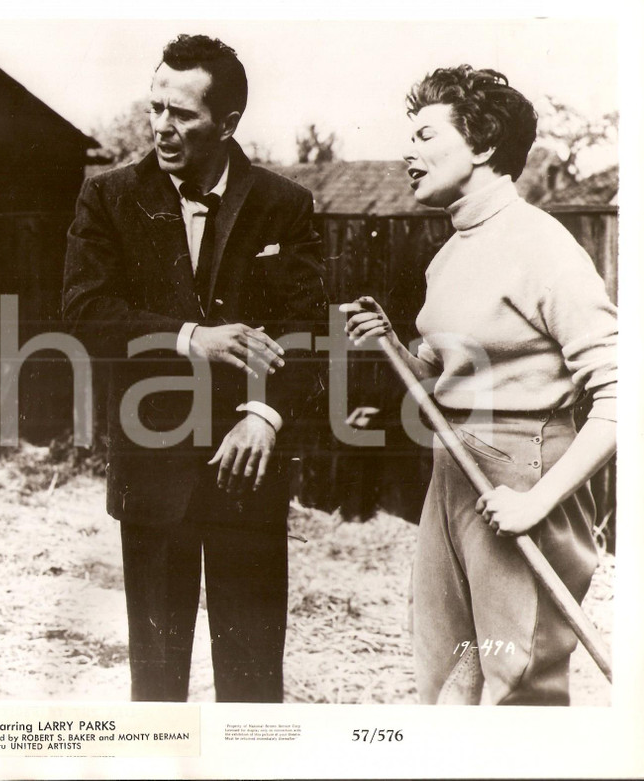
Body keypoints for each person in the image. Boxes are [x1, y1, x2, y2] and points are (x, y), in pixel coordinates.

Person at [342, 66, 617, 705]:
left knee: (517, 683)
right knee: (449, 677)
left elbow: (620, 390)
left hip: (525, 480)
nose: (406, 152)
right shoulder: (449, 255)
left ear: (484, 144)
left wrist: (537, 500)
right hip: (455, 473)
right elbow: (452, 383)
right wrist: (394, 344)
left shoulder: (543, 246)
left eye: (425, 135)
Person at [63, 35, 326, 702]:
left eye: (182, 115)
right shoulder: (109, 198)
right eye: (156, 108)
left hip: (249, 472)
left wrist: (266, 417)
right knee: (156, 684)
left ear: (228, 122)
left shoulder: (284, 204)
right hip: (153, 471)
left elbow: (307, 329)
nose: (161, 128)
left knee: (252, 677)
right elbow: (86, 313)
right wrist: (188, 338)